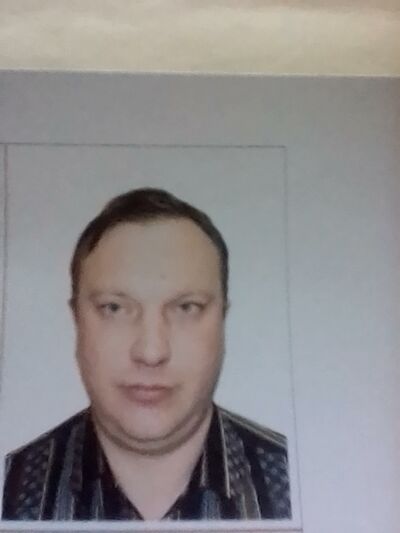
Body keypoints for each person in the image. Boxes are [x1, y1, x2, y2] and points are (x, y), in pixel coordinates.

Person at [2, 188, 291, 521]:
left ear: (222, 319)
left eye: (186, 307)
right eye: (114, 308)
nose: (151, 353)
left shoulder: (297, 479)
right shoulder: (10, 487)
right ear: (77, 319)